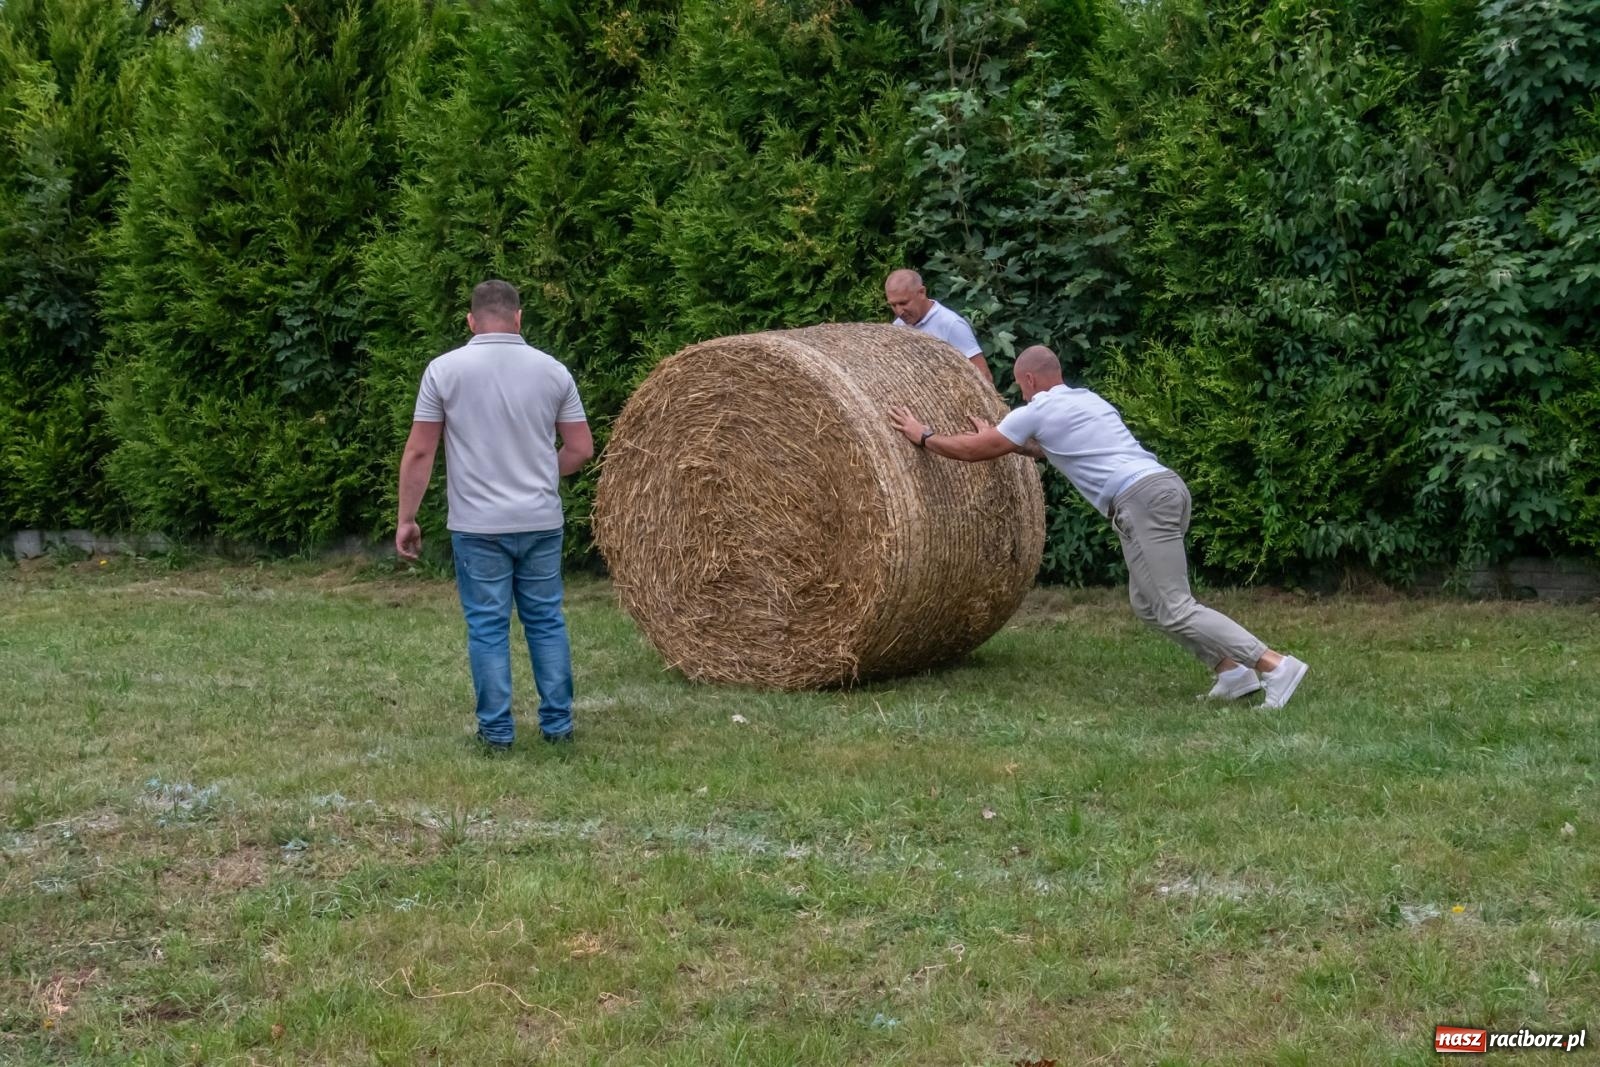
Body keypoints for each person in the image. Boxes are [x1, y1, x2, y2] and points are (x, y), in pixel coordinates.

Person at [887, 345, 1309, 709]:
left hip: (1141, 500)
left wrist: (924, 435)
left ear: (1029, 379)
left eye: (1020, 386)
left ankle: (1275, 665)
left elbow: (975, 451)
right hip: (1163, 489)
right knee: (1150, 605)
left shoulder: (1036, 409)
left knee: (1176, 606)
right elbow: (1053, 449)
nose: (1022, 394)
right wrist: (1003, 440)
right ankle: (1231, 672)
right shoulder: (1087, 400)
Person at [395, 280, 594, 750]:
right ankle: (558, 726)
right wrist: (539, 472)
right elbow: (581, 448)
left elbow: (421, 451)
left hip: (477, 525)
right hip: (540, 519)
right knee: (545, 621)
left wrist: (407, 518)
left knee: (487, 627)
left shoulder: (444, 371)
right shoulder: (553, 371)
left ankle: (497, 732)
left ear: (471, 321)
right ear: (519, 318)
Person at [885, 268, 995, 386]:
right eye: (893, 305)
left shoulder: (952, 324)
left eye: (903, 303)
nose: (899, 311)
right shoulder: (897, 327)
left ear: (922, 292)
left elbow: (984, 376)